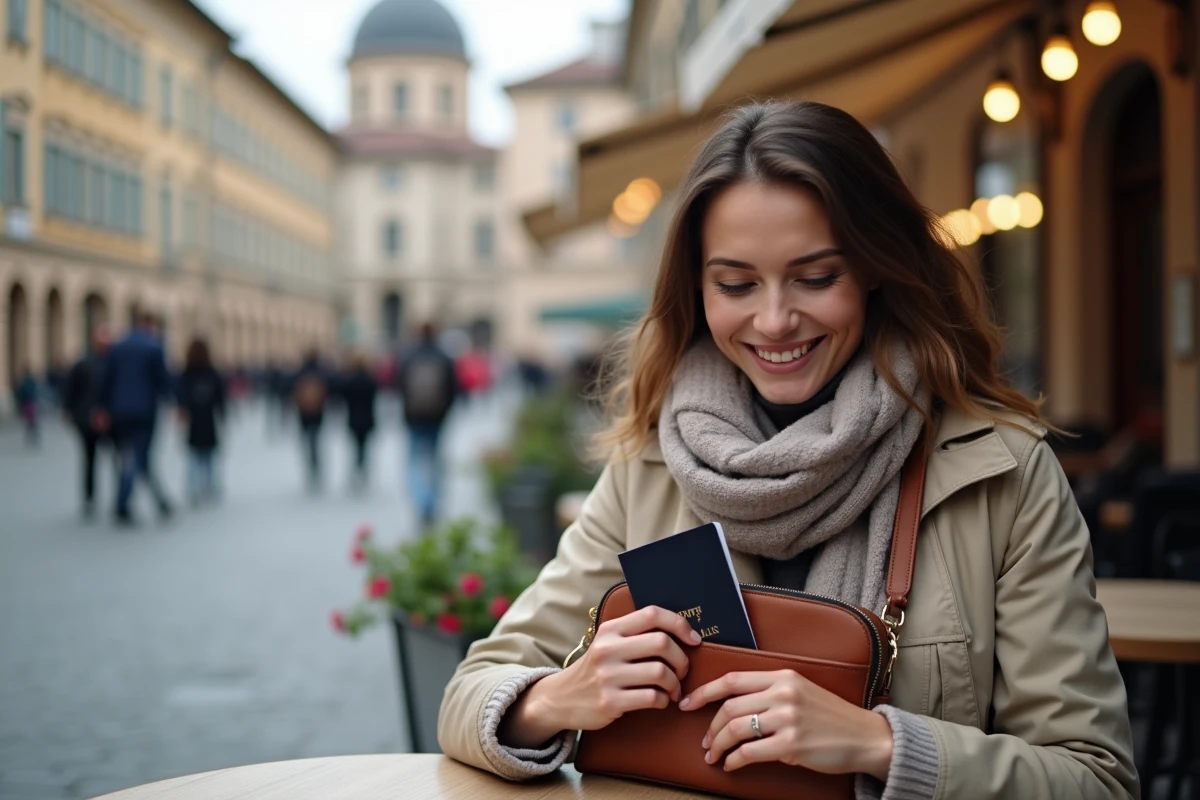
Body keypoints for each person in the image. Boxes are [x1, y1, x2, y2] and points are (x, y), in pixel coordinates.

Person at [439, 102, 1137, 798]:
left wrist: (880, 743)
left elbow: (1097, 777)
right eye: (736, 284)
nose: (774, 320)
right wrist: (556, 699)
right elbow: (469, 694)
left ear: (876, 268)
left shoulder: (1000, 473)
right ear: (697, 288)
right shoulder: (651, 464)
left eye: (815, 277)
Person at [99, 312, 176, 525]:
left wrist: (102, 408)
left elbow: (107, 380)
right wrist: (178, 402)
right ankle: (123, 504)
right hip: (145, 411)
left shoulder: (117, 347)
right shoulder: (153, 347)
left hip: (119, 411)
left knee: (130, 456)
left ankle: (159, 501)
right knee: (138, 457)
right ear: (149, 325)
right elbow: (164, 380)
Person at [397, 323, 458, 527]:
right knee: (435, 460)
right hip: (437, 417)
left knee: (414, 460)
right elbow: (453, 389)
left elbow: (400, 387)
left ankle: (420, 500)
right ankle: (431, 502)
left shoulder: (409, 356)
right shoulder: (443, 357)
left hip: (414, 417)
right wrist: (445, 412)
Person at [63, 324, 112, 517]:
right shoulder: (84, 363)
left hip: (109, 420)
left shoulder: (111, 362)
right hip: (86, 420)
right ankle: (89, 498)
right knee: (89, 460)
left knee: (117, 458)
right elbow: (70, 390)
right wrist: (69, 412)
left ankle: (120, 498)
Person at [178, 338, 227, 506]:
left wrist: (182, 411)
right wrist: (223, 415)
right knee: (208, 456)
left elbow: (181, 395)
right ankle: (209, 487)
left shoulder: (187, 373)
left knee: (194, 456)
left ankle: (193, 489)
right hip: (208, 418)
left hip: (194, 418)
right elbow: (220, 397)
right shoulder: (211, 372)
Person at [339, 353, 378, 492]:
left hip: (354, 419)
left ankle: (357, 470)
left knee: (356, 447)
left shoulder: (350, 380)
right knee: (364, 447)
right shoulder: (370, 380)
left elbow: (344, 398)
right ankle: (362, 471)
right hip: (367, 419)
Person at [292, 350, 329, 492]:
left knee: (307, 442)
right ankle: (315, 466)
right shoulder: (321, 372)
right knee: (315, 441)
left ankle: (310, 466)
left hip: (304, 414)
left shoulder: (300, 372)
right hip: (318, 414)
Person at [13, 366, 40, 447]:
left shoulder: (24, 383)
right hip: (32, 403)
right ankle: (33, 435)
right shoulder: (32, 382)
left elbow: (20, 394)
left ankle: (32, 435)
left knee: (30, 421)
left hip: (27, 403)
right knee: (32, 421)